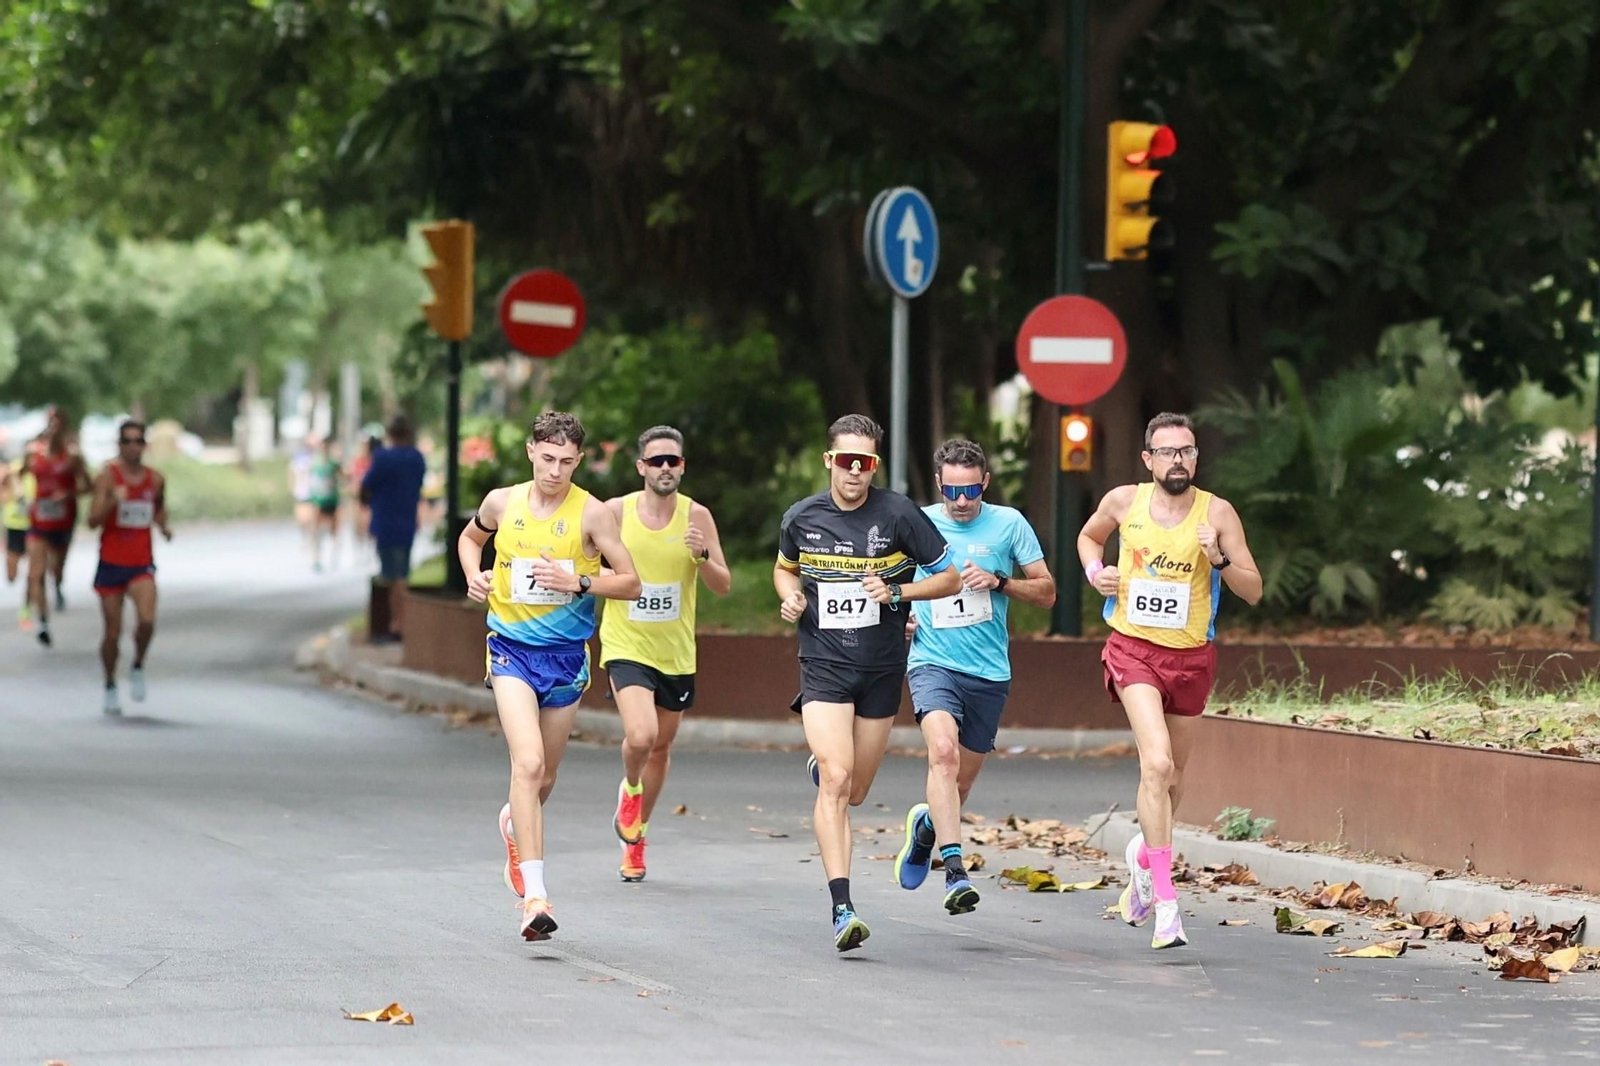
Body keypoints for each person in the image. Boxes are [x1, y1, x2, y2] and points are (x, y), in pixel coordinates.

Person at [775, 413, 961, 952]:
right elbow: (785, 568)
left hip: (881, 668)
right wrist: (789, 594)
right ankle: (842, 908)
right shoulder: (801, 517)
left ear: (874, 465)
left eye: (866, 462)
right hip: (824, 663)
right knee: (836, 779)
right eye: (846, 460)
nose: (855, 471)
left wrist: (900, 595)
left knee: (855, 790)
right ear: (828, 460)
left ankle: (828, 765)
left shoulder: (899, 514)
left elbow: (948, 577)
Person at [1077, 412, 1263, 950]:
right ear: (1148, 459)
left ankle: (1142, 854)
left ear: (1196, 458)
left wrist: (1219, 558)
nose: (1177, 459)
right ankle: (1165, 903)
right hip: (1133, 649)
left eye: (1186, 451)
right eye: (1167, 451)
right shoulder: (1123, 502)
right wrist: (1097, 574)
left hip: (1192, 659)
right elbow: (1089, 539)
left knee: (1172, 779)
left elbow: (1253, 590)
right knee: (1155, 762)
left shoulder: (1217, 513)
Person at [459, 412, 641, 943]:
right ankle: (534, 898)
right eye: (547, 458)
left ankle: (516, 824)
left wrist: (578, 579)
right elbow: (471, 540)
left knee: (545, 779)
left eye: (566, 462)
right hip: (511, 649)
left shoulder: (594, 514)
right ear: (530, 451)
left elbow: (630, 582)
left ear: (578, 461)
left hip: (566, 656)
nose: (555, 471)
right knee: (529, 761)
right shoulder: (502, 502)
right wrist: (475, 576)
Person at [892, 439, 1056, 916]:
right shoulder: (916, 522)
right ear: (939, 483)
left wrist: (1000, 581)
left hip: (988, 671)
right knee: (941, 754)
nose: (961, 502)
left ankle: (926, 829)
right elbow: (888, 582)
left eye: (970, 491)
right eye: (951, 491)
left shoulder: (1009, 524)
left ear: (984, 482)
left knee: (958, 786)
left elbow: (1047, 592)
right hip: (932, 662)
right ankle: (956, 873)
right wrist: (900, 613)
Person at [598, 425, 733, 883]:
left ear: (682, 466)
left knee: (661, 746)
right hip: (625, 642)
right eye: (656, 461)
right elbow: (585, 563)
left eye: (672, 461)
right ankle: (630, 791)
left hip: (675, 651)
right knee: (640, 736)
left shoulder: (698, 517)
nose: (665, 468)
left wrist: (701, 557)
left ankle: (636, 837)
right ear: (641, 467)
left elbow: (723, 584)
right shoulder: (615, 512)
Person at [87, 421, 171, 716]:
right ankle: (110, 683)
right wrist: (111, 500)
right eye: (127, 441)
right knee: (112, 633)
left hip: (141, 563)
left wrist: (164, 525)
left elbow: (159, 506)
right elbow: (91, 521)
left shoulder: (156, 479)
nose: (133, 446)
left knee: (147, 621)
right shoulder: (107, 477)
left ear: (144, 445)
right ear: (119, 444)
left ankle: (137, 665)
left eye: (138, 441)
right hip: (111, 562)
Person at [360, 416, 426, 644]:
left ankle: (396, 622)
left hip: (385, 521)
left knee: (391, 575)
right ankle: (402, 621)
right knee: (403, 573)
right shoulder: (417, 459)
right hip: (407, 522)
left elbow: (366, 487)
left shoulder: (383, 458)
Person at [26, 412, 90, 647]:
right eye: (49, 425)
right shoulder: (33, 454)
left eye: (57, 425)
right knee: (36, 573)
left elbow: (88, 486)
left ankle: (59, 585)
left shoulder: (73, 457)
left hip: (63, 521)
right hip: (39, 521)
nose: (53, 429)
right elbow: (20, 475)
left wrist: (68, 494)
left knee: (57, 569)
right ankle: (42, 621)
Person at [2, 458, 35, 630]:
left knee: (34, 572)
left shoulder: (42, 471)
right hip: (14, 526)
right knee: (12, 575)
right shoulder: (12, 471)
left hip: (34, 528)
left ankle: (26, 609)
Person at [308, 439, 342, 572]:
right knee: (315, 529)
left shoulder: (334, 464)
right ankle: (317, 558)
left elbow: (343, 477)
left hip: (332, 500)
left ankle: (333, 553)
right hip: (318, 500)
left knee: (333, 529)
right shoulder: (315, 464)